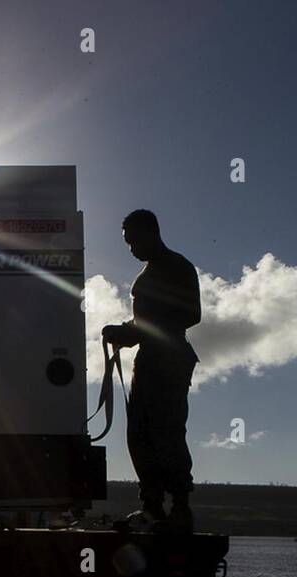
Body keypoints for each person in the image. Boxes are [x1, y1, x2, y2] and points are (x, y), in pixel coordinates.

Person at [102, 209, 201, 532]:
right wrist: (126, 332)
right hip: (149, 360)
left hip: (169, 360)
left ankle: (180, 508)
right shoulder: (147, 273)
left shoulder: (177, 267)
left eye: (133, 241)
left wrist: (133, 332)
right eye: (127, 244)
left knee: (168, 431)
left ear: (151, 232)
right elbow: (147, 323)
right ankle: (152, 506)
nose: (131, 249)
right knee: (140, 434)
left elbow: (190, 314)